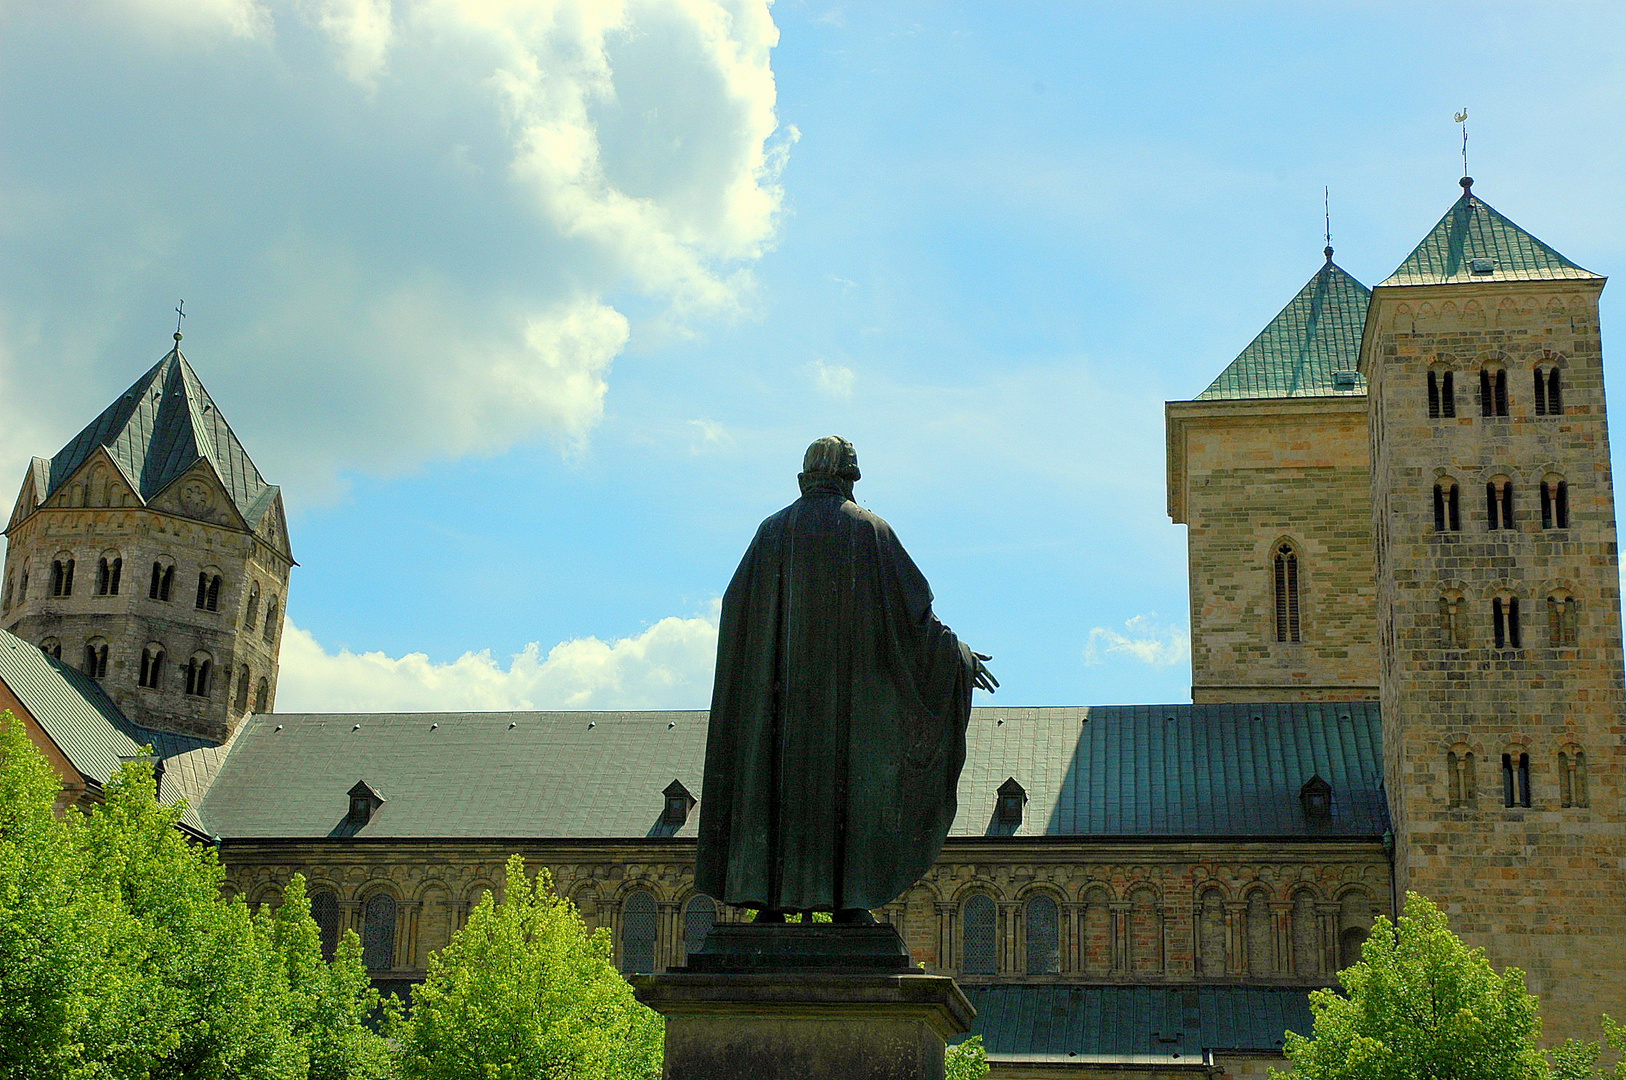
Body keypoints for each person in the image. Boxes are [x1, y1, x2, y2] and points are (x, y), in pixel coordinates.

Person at [695, 436, 996, 922]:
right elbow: (914, 617)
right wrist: (956, 656)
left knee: (773, 786)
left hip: (778, 714)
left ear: (805, 477)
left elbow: (737, 614)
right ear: (848, 478)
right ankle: (849, 902)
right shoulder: (868, 532)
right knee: (850, 793)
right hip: (849, 715)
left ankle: (769, 902)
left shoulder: (770, 533)